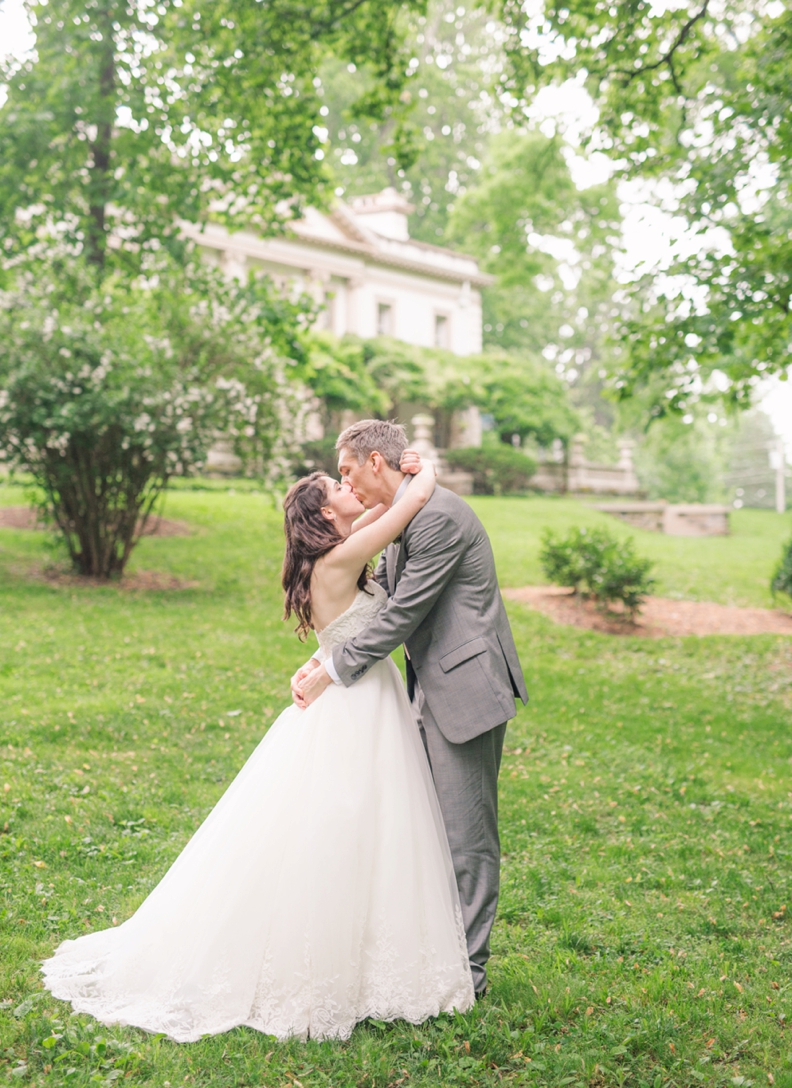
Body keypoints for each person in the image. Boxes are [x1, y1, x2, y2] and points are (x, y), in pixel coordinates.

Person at [42, 451, 474, 1042]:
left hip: (358, 696)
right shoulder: (341, 555)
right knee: (351, 824)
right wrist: (418, 468)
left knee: (372, 825)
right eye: (338, 484)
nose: (350, 485)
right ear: (326, 511)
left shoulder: (334, 556)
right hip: (356, 707)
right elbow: (412, 502)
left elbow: (355, 595)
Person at [292, 419, 527, 998]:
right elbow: (384, 602)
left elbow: (405, 613)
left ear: (377, 462)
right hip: (424, 690)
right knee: (423, 830)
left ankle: (468, 973)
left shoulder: (438, 517)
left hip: (465, 691)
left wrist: (332, 665)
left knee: (467, 837)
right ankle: (431, 956)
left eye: (347, 471)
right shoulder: (405, 515)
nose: (347, 485)